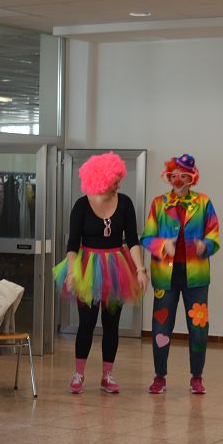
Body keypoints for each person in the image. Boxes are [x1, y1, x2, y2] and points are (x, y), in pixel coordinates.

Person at [54, 152, 145, 394]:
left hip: (116, 267)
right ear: (101, 179)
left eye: (119, 179)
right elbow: (72, 244)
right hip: (88, 267)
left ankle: (107, 375)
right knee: (86, 323)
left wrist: (140, 269)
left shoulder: (125, 203)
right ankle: (78, 374)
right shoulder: (81, 205)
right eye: (115, 180)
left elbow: (133, 240)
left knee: (111, 323)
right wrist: (72, 272)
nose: (119, 184)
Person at [142, 153, 221, 395]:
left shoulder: (203, 202)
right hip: (165, 277)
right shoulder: (159, 203)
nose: (178, 180)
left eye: (183, 176)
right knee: (161, 328)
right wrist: (162, 244)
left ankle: (197, 377)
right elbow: (146, 237)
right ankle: (159, 376)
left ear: (192, 178)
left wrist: (205, 246)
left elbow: (214, 234)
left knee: (198, 329)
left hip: (196, 277)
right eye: (174, 175)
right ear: (169, 177)